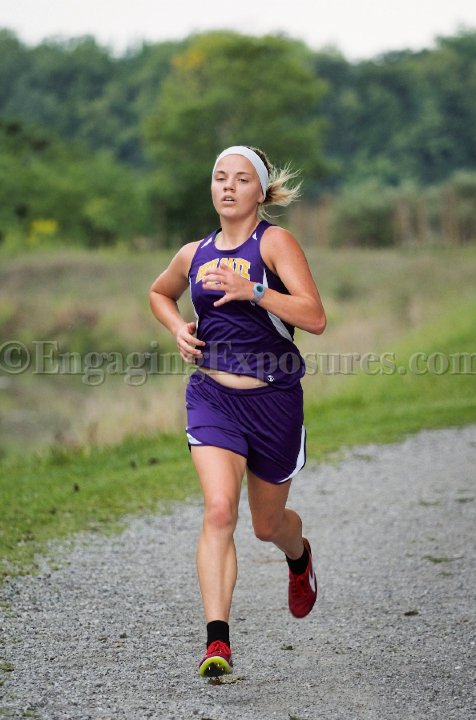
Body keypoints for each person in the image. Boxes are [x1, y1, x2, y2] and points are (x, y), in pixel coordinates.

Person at [149, 145, 326, 677]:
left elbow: (314, 317)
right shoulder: (193, 253)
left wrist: (255, 290)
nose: (228, 186)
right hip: (213, 397)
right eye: (220, 177)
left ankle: (299, 556)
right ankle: (217, 642)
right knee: (220, 511)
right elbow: (159, 293)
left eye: (241, 179)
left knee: (267, 526)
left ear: (261, 191)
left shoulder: (274, 243)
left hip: (273, 401)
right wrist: (178, 328)